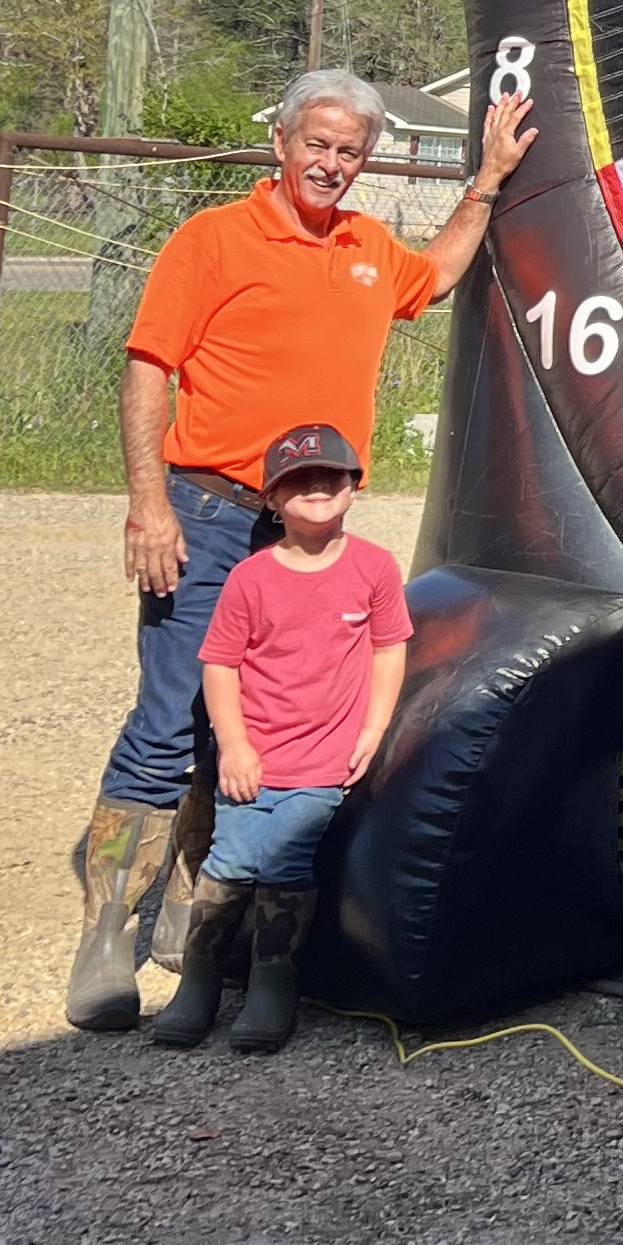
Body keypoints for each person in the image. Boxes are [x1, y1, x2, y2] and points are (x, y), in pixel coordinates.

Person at [63, 63, 535, 1030]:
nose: (330, 164)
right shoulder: (214, 239)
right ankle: (110, 931)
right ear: (280, 144)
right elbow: (149, 369)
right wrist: (148, 505)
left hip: (309, 525)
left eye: (349, 152)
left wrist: (484, 182)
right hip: (207, 508)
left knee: (268, 720)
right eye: (315, 145)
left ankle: (198, 910)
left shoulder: (367, 246)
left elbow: (436, 275)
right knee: (169, 717)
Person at [151, 424, 412, 1054]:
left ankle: (274, 978)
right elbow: (220, 664)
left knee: (288, 860)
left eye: (332, 476)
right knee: (231, 861)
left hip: (326, 760)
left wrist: (374, 729)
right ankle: (203, 977)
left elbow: (388, 649)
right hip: (254, 760)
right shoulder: (251, 577)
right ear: (270, 499)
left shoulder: (374, 568)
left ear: (354, 487)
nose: (316, 488)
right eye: (297, 480)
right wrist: (234, 745)